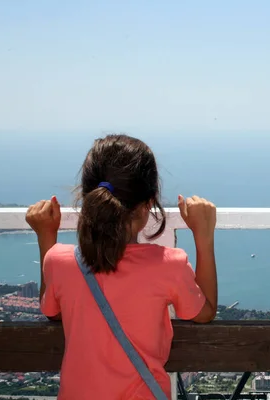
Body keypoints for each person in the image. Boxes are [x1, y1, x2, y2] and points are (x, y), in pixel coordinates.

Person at [25, 134, 217, 400]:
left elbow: (53, 311)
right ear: (149, 202)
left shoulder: (58, 261)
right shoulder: (168, 265)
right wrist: (204, 235)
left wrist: (47, 238)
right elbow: (204, 312)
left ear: (89, 198)